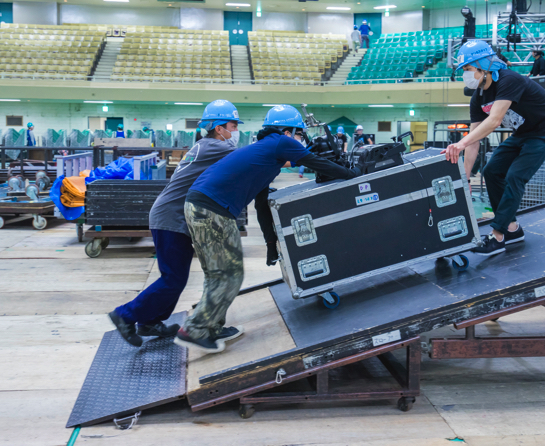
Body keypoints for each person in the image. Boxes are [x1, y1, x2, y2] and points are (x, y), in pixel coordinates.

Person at [174, 105, 360, 353]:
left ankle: (211, 327)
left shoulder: (265, 157)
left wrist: (271, 246)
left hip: (200, 206)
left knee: (217, 273)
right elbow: (317, 163)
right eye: (298, 133)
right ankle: (194, 330)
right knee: (229, 274)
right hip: (212, 211)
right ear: (288, 130)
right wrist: (353, 175)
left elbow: (262, 207)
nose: (299, 139)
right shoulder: (281, 142)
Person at [108, 100, 242, 347]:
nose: (236, 131)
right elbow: (250, 156)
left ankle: (149, 322)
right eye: (233, 125)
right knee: (173, 279)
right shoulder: (214, 146)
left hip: (173, 216)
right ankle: (125, 314)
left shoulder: (207, 146)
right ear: (219, 127)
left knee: (174, 277)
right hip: (171, 217)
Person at [442, 41, 545, 257]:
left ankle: (497, 237)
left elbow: (495, 120)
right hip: (524, 134)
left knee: (515, 176)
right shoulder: (478, 97)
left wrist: (459, 143)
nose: (465, 75)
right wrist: (466, 178)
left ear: (482, 66)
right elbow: (472, 140)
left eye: (468, 69)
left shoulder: (509, 80)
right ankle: (513, 229)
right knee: (491, 171)